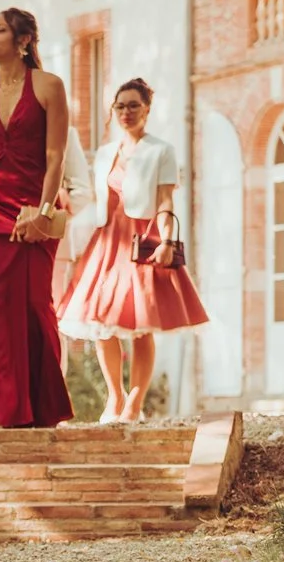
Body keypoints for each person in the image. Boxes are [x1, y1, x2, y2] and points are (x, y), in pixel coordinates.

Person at [56, 78, 206, 420]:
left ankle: (136, 403)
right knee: (100, 322)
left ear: (147, 109)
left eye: (133, 105)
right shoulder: (106, 153)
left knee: (140, 324)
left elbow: (167, 199)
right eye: (120, 106)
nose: (126, 112)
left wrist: (167, 240)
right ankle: (116, 397)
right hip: (106, 240)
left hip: (143, 238)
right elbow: (100, 201)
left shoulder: (161, 151)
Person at [0, 8, 74, 431]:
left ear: (23, 40)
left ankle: (38, 408)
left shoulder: (48, 86)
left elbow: (56, 156)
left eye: (0, 30)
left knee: (34, 304)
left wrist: (43, 214)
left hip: (32, 206)